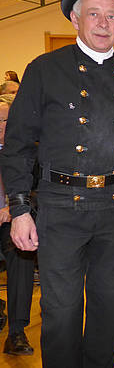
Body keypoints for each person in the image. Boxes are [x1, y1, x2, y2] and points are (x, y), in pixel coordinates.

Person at [0, 0, 114, 368]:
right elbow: (17, 145)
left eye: (112, 15)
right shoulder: (44, 70)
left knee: (109, 307)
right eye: (94, 13)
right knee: (62, 310)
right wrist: (20, 208)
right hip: (60, 206)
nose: (104, 23)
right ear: (74, 17)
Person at [0, 94, 36, 356]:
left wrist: (14, 208)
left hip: (12, 221)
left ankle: (16, 332)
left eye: (5, 120)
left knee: (21, 253)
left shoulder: (29, 151)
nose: (2, 125)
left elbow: (37, 191)